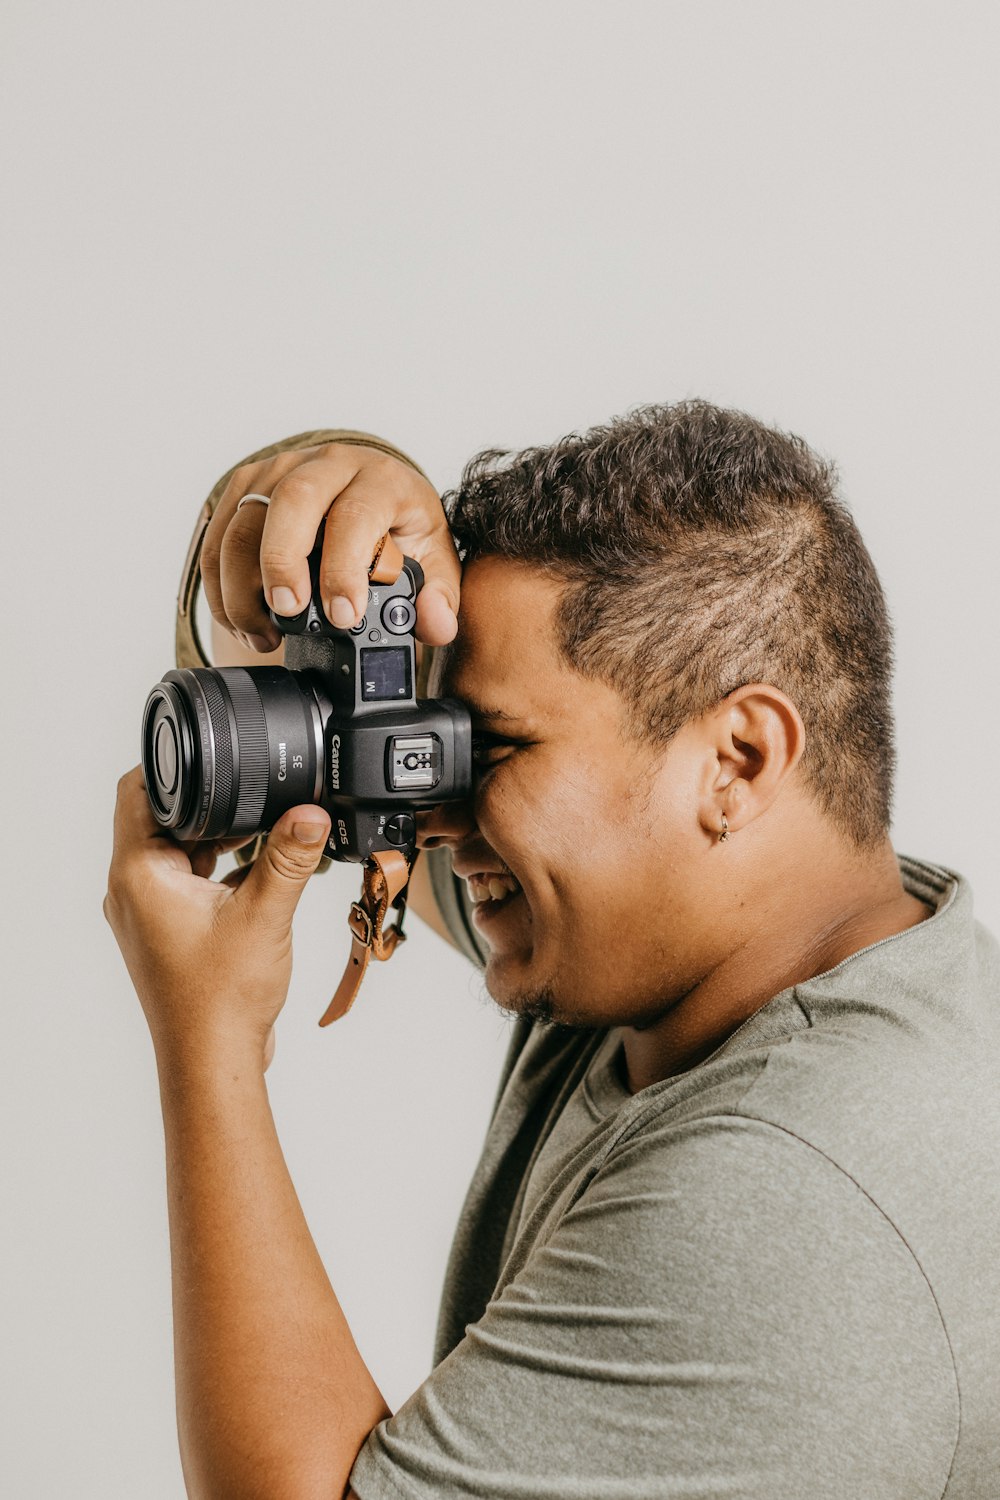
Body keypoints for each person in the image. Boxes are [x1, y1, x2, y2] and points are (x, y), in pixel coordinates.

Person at [105, 402, 1000, 1500]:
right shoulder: (743, 945)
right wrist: (326, 512)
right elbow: (343, 779)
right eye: (433, 743)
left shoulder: (788, 1197)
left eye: (493, 748)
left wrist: (206, 1043)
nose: (433, 811)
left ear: (738, 760)